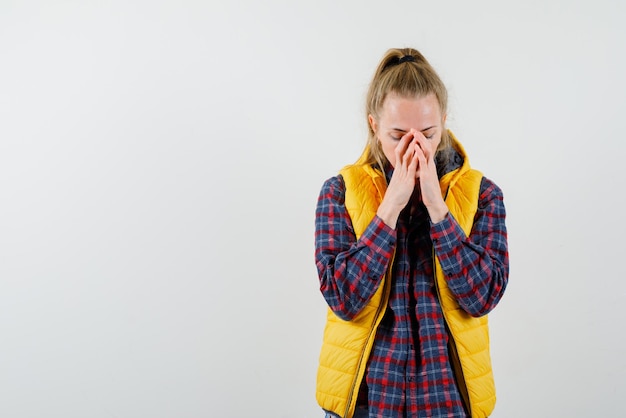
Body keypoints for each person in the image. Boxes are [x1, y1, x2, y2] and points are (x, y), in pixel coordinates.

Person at [314, 47, 509, 418]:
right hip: (366, 404)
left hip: (448, 402)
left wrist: (439, 209)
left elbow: (482, 297)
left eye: (428, 134)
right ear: (373, 125)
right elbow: (342, 298)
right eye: (397, 135)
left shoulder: (483, 195)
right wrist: (389, 209)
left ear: (444, 123)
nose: (413, 148)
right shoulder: (339, 192)